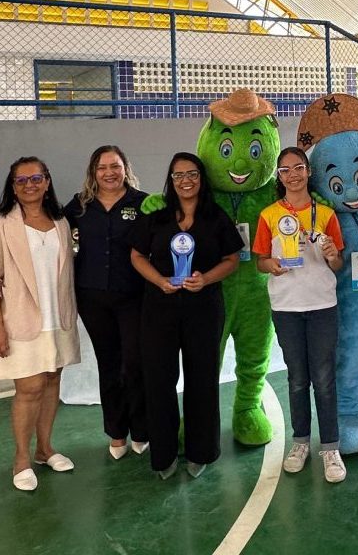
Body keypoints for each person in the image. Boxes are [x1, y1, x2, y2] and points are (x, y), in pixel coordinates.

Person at [130, 153, 242, 479]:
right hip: (159, 308)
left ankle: (201, 451)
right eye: (178, 175)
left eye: (191, 173)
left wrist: (205, 279)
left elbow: (232, 259)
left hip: (204, 308)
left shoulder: (215, 217)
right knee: (159, 381)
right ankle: (164, 455)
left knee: (202, 380)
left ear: (201, 177)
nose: (185, 181)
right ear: (171, 180)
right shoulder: (157, 215)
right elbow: (137, 255)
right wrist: (159, 280)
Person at [0, 156, 80, 492]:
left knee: (52, 380)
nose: (29, 185)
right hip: (19, 320)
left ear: (47, 182)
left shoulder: (61, 221)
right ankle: (21, 458)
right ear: (12, 186)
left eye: (36, 178)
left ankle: (44, 449)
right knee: (29, 388)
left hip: (58, 318)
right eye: (21, 180)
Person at [253, 147, 347, 482]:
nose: (292, 175)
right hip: (286, 307)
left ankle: (331, 449)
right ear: (279, 177)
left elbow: (338, 263)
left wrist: (332, 255)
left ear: (308, 172)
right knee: (296, 379)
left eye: (298, 168)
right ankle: (300, 443)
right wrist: (273, 266)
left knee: (324, 379)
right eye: (285, 170)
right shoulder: (268, 216)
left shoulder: (326, 214)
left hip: (322, 306)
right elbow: (260, 261)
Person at [63, 146, 150, 460]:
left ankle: (141, 430)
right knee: (109, 364)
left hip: (134, 296)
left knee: (134, 364)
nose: (109, 173)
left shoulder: (143, 203)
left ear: (125, 168)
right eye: (102, 167)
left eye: (115, 166)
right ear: (93, 172)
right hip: (93, 297)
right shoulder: (79, 206)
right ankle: (116, 432)